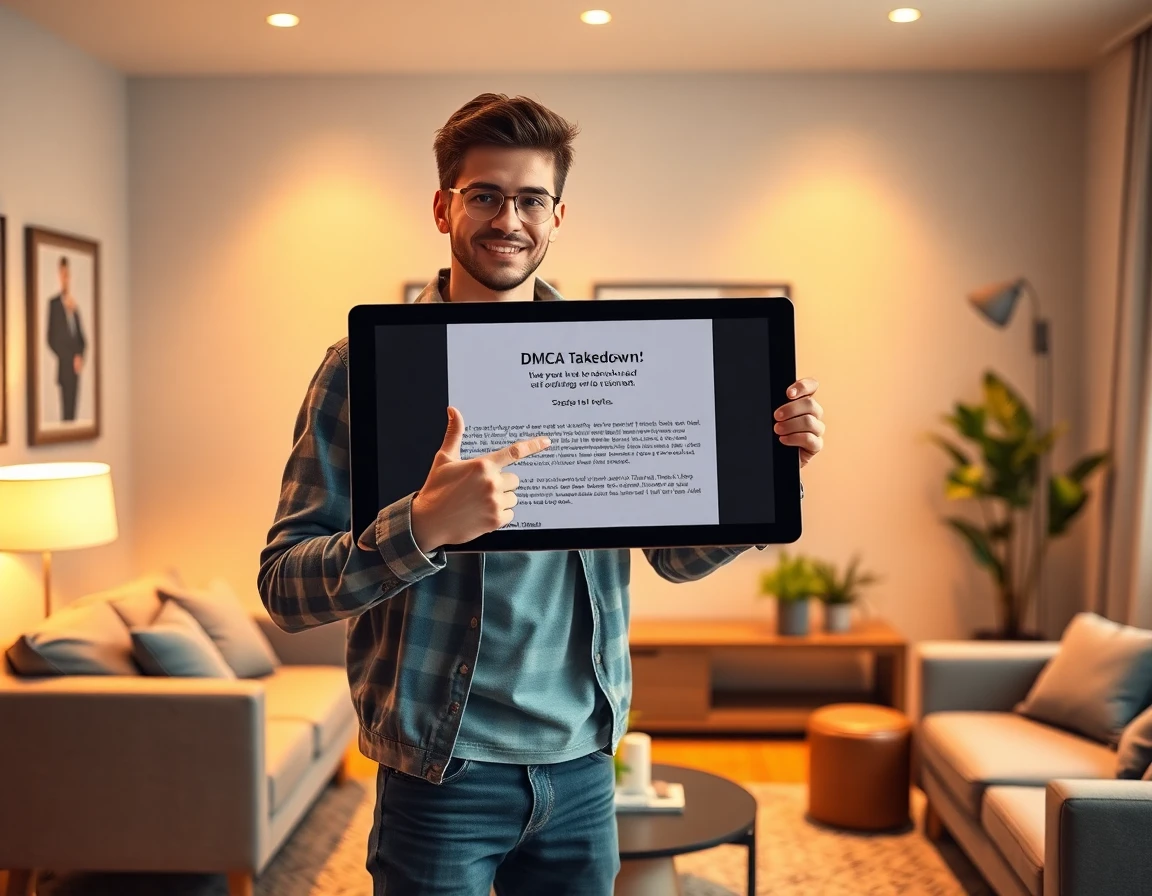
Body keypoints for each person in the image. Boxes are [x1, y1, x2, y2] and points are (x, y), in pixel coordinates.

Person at [258, 93, 826, 896]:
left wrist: (775, 475)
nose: (507, 218)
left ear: (559, 216)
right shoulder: (364, 366)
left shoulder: (613, 358)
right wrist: (419, 528)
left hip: (584, 767)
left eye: (530, 198)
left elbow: (673, 558)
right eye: (484, 194)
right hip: (440, 772)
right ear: (442, 206)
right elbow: (284, 586)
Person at [45, 256, 86, 422]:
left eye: (67, 274)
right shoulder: (54, 304)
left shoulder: (74, 307)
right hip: (64, 368)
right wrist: (69, 358)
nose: (65, 278)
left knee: (73, 414)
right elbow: (50, 338)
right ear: (59, 276)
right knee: (66, 415)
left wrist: (80, 356)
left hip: (75, 370)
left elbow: (82, 339)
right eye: (62, 274)